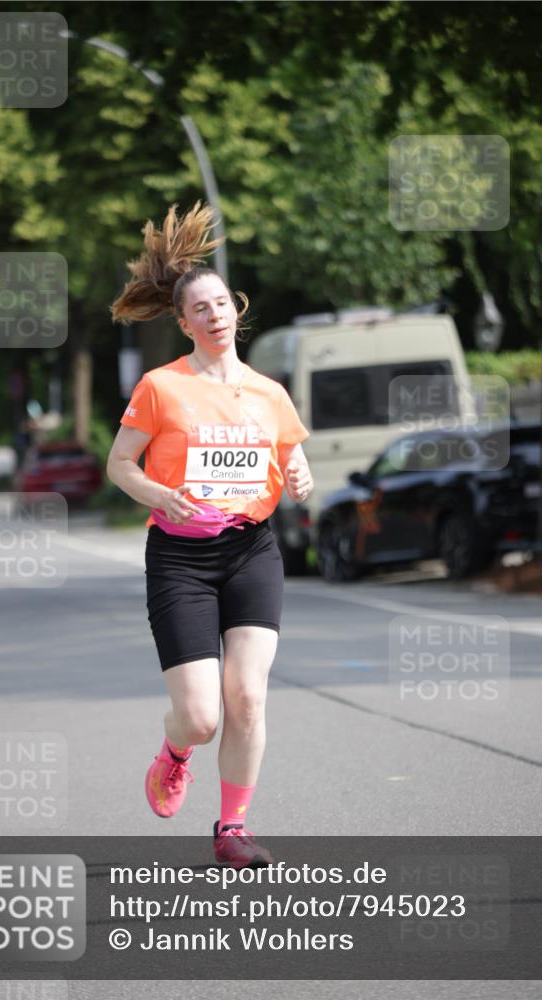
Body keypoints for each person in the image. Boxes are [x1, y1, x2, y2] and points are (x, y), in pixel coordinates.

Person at [106, 203, 313, 869]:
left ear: (236, 309)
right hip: (179, 559)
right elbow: (119, 465)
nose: (215, 316)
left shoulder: (269, 393)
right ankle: (173, 757)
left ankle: (232, 829)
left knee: (247, 695)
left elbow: (289, 453)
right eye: (202, 309)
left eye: (222, 304)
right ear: (184, 321)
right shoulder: (161, 387)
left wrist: (300, 471)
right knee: (200, 717)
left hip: (251, 550)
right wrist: (160, 495)